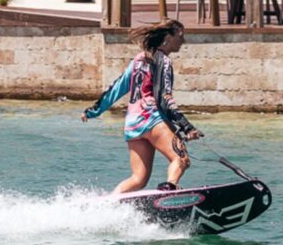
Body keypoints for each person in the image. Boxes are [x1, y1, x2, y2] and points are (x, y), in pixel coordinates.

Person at [82, 19, 203, 194]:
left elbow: (115, 89)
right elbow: (165, 97)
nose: (183, 41)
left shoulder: (138, 59)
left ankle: (109, 205)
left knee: (138, 179)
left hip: (133, 124)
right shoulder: (163, 61)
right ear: (167, 37)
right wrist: (187, 126)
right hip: (152, 120)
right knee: (181, 158)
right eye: (180, 36)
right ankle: (169, 190)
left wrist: (93, 111)